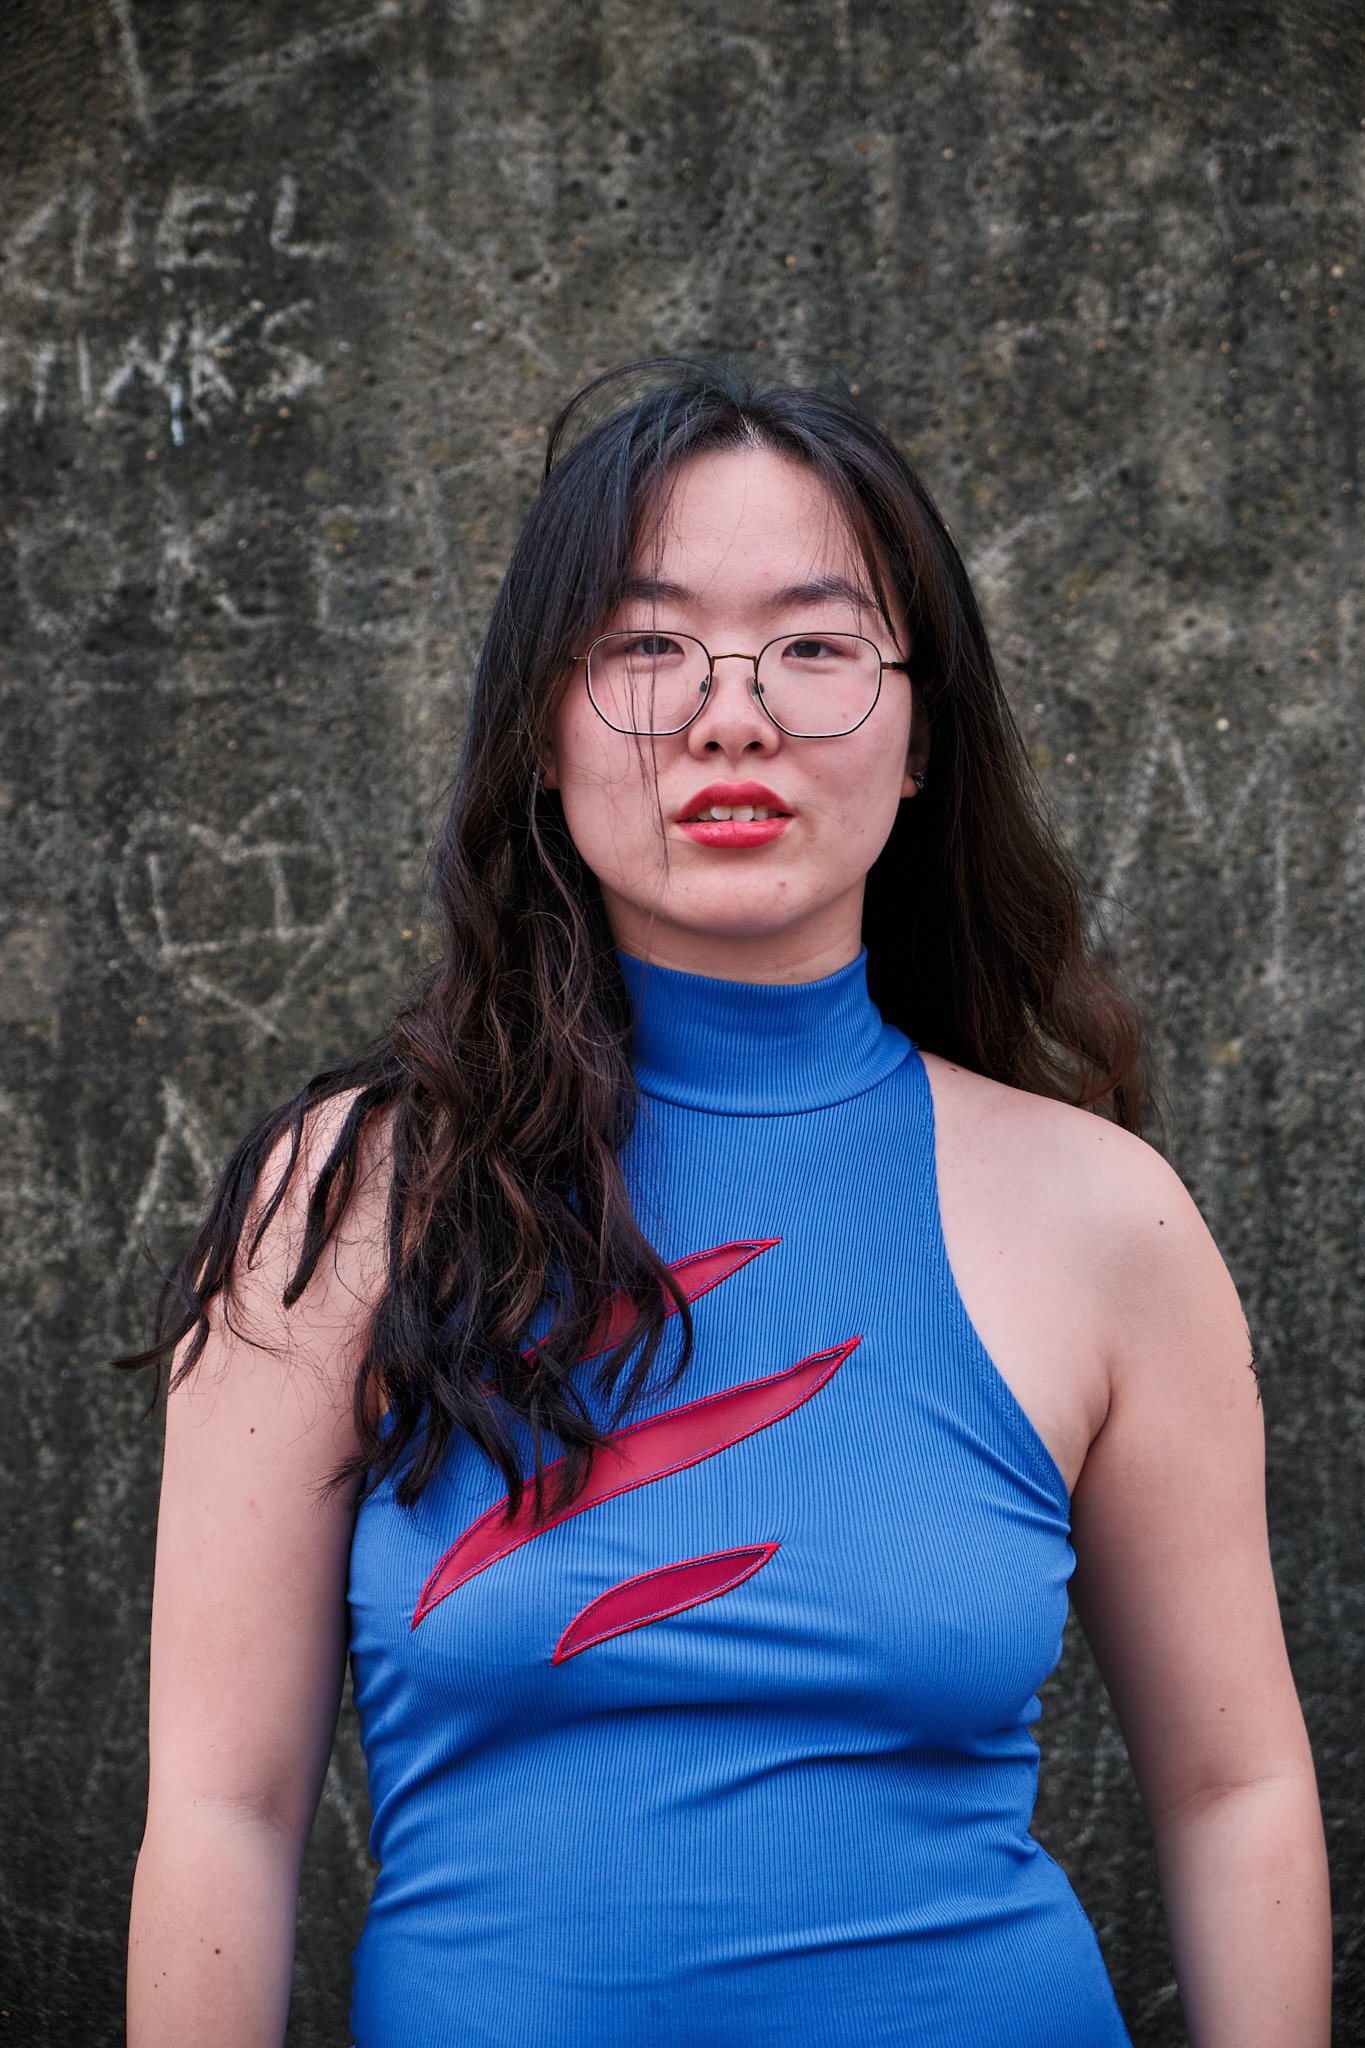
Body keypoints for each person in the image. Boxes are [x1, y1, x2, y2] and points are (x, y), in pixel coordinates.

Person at [122, 359, 1331, 2048]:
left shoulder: (1100, 1216)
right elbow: (222, 1817)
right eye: (644, 646)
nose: (729, 711)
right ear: (542, 727)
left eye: (817, 645)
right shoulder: (346, 1202)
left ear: (920, 742)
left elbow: (1235, 1785)